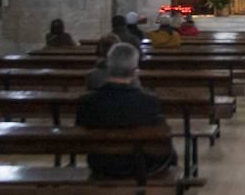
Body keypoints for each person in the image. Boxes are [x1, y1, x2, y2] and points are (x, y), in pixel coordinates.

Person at [74, 44, 176, 179]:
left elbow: (79, 131)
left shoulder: (86, 101)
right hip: (139, 165)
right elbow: (160, 139)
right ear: (135, 72)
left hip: (100, 164)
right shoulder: (148, 101)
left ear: (109, 69)